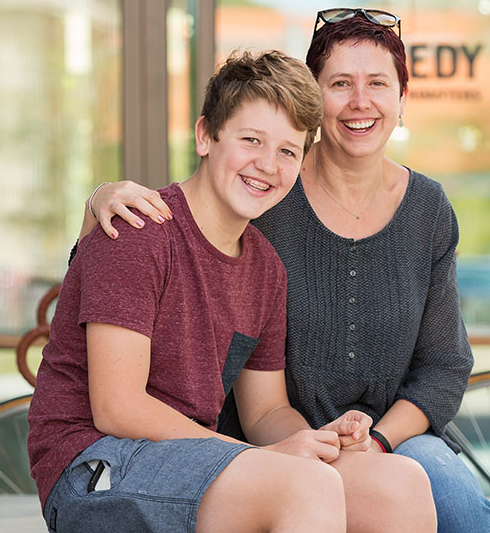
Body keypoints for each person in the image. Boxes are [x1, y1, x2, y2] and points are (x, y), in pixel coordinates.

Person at [85, 10, 490, 532]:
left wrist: (355, 443)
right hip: (134, 456)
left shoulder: (268, 258)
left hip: (358, 434)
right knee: (319, 492)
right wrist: (97, 198)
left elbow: (442, 366)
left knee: (432, 494)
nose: (360, 101)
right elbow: (175, 222)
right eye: (341, 84)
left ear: (401, 100)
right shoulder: (251, 208)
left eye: (378, 84)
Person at [28, 49, 436, 533]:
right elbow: (118, 407)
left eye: (287, 151)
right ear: (206, 136)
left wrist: (315, 441)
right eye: (251, 140)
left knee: (401, 485)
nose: (267, 164)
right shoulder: (141, 228)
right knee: (304, 486)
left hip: (193, 458)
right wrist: (268, 458)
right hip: (95, 465)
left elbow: (266, 410)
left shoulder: (265, 267)